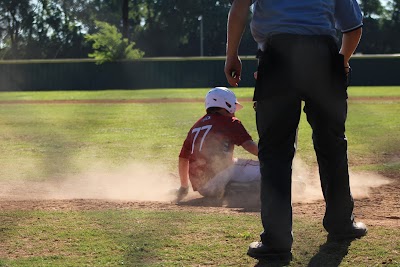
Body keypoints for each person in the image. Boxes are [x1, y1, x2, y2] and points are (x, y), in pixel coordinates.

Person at [224, 0, 367, 262]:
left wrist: (231, 54)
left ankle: (277, 240)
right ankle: (341, 224)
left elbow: (240, 8)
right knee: (332, 145)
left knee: (275, 152)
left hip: (278, 56)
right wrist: (343, 61)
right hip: (323, 56)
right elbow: (354, 27)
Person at [175, 87, 260, 201]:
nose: (234, 111)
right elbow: (249, 145)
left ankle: (233, 187)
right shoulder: (229, 122)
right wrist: (270, 157)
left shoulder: (196, 126)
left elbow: (183, 158)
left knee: (234, 162)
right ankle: (240, 188)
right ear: (227, 104)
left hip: (201, 187)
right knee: (268, 168)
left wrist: (184, 187)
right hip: (219, 180)